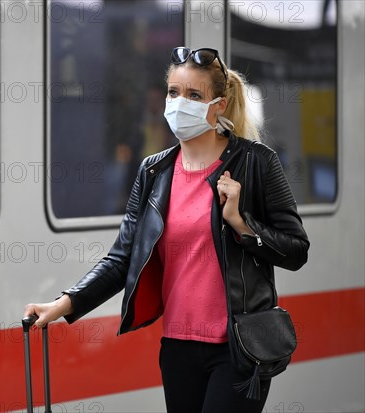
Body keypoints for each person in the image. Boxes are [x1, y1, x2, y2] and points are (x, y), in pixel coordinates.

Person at [23, 47, 309, 413]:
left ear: (219, 105)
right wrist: (63, 304)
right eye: (173, 92)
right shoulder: (153, 171)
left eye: (194, 95)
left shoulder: (256, 162)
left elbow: (296, 250)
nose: (179, 103)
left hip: (239, 346)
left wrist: (240, 223)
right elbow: (123, 257)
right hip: (177, 348)